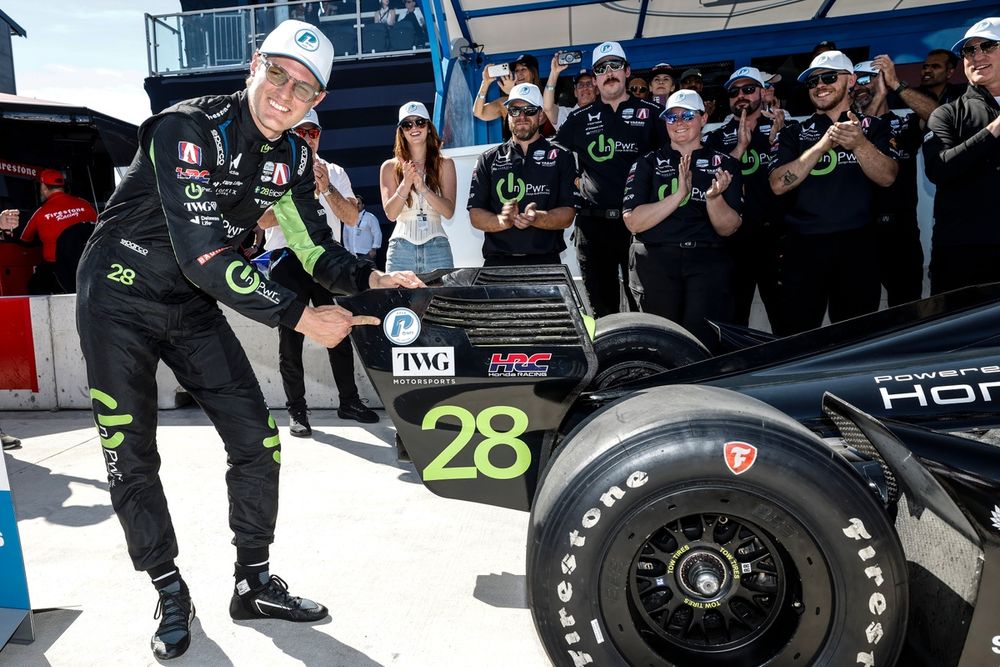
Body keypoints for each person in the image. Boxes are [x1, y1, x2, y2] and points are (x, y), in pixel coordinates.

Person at [63, 20, 422, 661]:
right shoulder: (186, 128)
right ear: (254, 64)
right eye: (278, 74)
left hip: (193, 301)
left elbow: (317, 251)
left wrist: (374, 277)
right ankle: (169, 588)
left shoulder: (291, 159)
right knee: (132, 453)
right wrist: (301, 317)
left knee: (258, 439)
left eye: (305, 89)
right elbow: (204, 253)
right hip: (117, 298)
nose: (286, 94)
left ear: (318, 103)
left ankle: (252, 581)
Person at [261, 109, 379, 434]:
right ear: (289, 135)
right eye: (300, 132)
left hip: (327, 258)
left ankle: (349, 402)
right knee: (290, 335)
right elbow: (261, 221)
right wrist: (295, 196)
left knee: (340, 330)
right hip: (286, 256)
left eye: (311, 132)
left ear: (319, 135)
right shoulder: (274, 172)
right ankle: (297, 411)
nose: (306, 138)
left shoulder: (335, 171)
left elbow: (352, 217)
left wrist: (326, 189)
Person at [768, 50, 897, 335]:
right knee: (796, 337)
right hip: (803, 249)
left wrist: (861, 145)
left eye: (828, 77)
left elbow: (888, 177)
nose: (820, 85)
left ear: (851, 80)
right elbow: (778, 184)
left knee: (856, 337)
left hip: (858, 247)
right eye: (813, 82)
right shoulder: (794, 132)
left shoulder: (875, 127)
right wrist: (822, 146)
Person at [623, 90, 742, 347]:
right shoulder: (647, 163)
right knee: (659, 344)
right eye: (671, 117)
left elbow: (729, 228)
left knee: (704, 344)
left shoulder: (725, 164)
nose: (679, 122)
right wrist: (678, 196)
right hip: (656, 263)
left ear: (703, 118)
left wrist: (714, 199)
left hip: (706, 263)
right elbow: (633, 222)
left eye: (687, 115)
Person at [555, 41, 666, 317]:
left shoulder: (652, 113)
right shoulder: (579, 118)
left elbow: (671, 161)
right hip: (593, 228)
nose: (609, 72)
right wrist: (575, 182)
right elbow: (554, 157)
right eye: (602, 69)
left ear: (627, 71)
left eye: (615, 65)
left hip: (639, 228)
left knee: (645, 309)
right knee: (602, 313)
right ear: (595, 79)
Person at [923, 17, 1000, 294]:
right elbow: (937, 169)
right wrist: (994, 130)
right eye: (969, 51)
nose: (977, 56)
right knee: (956, 336)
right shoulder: (946, 113)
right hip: (962, 254)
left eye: (987, 46)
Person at [704, 67, 784, 329]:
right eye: (734, 91)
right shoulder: (715, 138)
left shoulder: (783, 129)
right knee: (735, 321)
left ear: (763, 92)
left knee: (787, 319)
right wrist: (739, 149)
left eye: (748, 89)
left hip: (779, 239)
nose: (741, 95)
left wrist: (778, 143)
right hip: (734, 242)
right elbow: (709, 185)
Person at [468, 84, 577, 266]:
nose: (522, 117)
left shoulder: (562, 157)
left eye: (529, 110)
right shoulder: (488, 159)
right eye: (515, 110)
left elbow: (568, 214)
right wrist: (502, 221)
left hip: (546, 262)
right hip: (498, 263)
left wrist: (537, 218)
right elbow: (475, 214)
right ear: (508, 115)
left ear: (541, 115)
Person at [851, 60, 925, 306]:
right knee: (860, 314)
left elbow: (939, 116)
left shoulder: (906, 123)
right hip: (859, 233)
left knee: (907, 311)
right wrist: (878, 96)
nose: (857, 87)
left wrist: (895, 86)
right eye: (853, 82)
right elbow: (865, 131)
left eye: (865, 79)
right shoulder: (846, 127)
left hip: (900, 231)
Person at [380, 101, 457, 273]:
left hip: (437, 247)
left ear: (429, 127)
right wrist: (406, 183)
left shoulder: (445, 164)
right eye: (407, 125)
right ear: (402, 132)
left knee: (442, 300)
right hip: (400, 250)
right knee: (398, 301)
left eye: (420, 122)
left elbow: (448, 211)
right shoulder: (389, 167)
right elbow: (391, 214)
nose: (414, 128)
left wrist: (423, 188)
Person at [1, 169, 97, 295]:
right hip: (92, 265)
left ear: (43, 187)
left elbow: (25, 240)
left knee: (34, 285)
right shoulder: (86, 204)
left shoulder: (40, 212)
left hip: (60, 271)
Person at [474, 54, 554, 136]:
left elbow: (540, 119)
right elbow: (479, 113)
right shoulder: (505, 101)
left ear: (533, 73)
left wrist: (512, 93)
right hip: (513, 148)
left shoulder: (546, 97)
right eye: (516, 71)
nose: (519, 74)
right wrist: (485, 83)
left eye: (523, 69)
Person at [542, 58, 596, 130]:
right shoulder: (566, 114)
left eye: (589, 84)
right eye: (580, 85)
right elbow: (547, 107)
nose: (585, 88)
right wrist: (554, 73)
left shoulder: (605, 112)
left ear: (597, 90)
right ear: (575, 93)